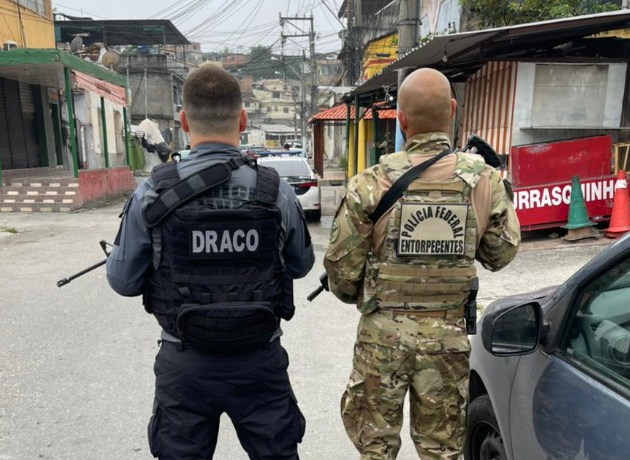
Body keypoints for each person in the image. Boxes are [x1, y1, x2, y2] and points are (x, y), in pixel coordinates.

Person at [106, 65, 315, 460]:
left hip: (185, 364)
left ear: (183, 122)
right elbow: (301, 264)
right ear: (243, 119)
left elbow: (123, 281)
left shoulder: (153, 191)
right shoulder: (276, 191)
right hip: (260, 362)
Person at [323, 67, 520, 459]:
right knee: (442, 451)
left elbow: (342, 276)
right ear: (452, 109)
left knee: (375, 449)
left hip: (380, 340)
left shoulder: (369, 183)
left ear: (401, 119)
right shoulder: (483, 180)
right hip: (446, 339)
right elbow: (500, 254)